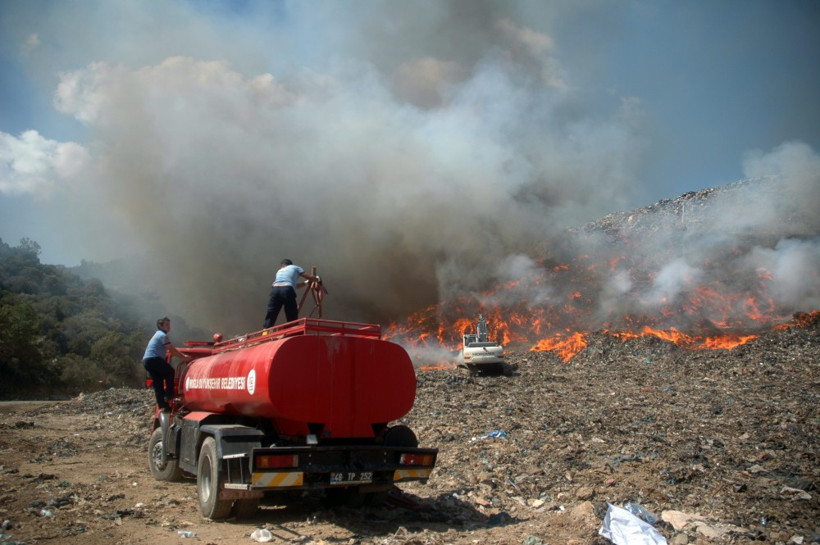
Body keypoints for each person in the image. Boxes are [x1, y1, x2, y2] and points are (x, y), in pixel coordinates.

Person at [142, 316, 191, 411]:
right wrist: (184, 358)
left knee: (158, 382)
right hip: (153, 359)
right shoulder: (162, 335)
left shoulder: (157, 334)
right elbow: (172, 350)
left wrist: (182, 356)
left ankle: (163, 405)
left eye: (169, 325)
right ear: (160, 326)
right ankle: (169, 394)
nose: (169, 327)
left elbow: (170, 352)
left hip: (147, 360)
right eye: (166, 325)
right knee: (170, 372)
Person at [263, 259, 320, 328]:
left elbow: (293, 286)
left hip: (275, 290)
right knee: (291, 312)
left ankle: (265, 332)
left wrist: (306, 283)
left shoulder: (279, 271)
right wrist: (317, 279)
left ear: (282, 265)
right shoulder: (295, 267)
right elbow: (309, 277)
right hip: (287, 289)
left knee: (271, 313)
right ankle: (293, 330)